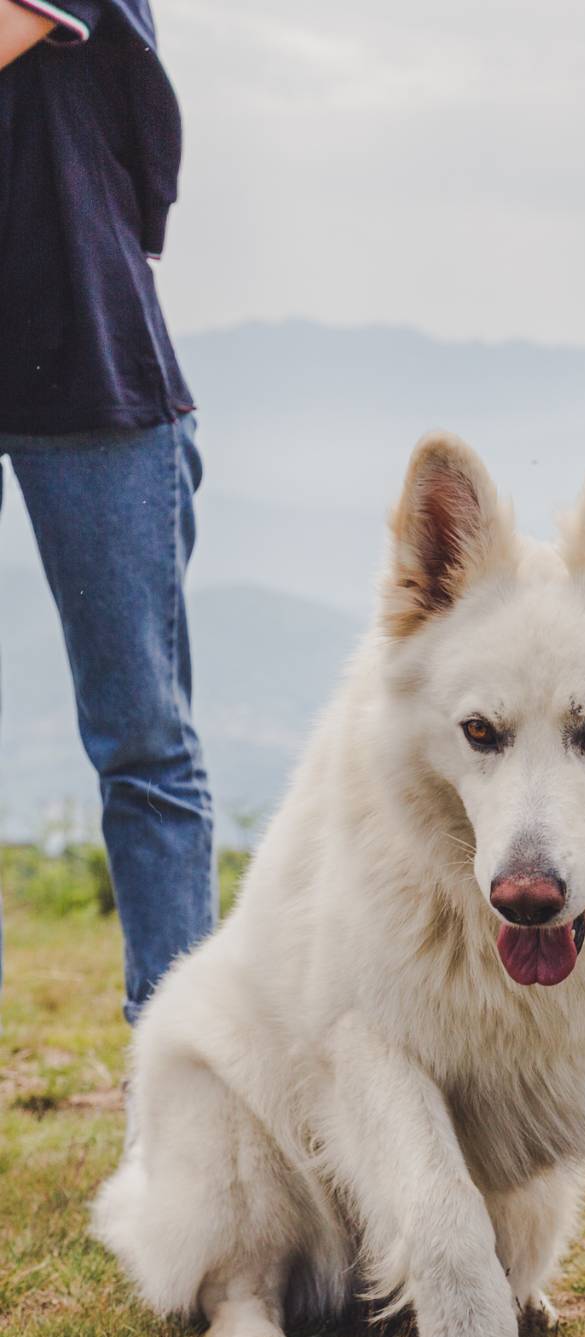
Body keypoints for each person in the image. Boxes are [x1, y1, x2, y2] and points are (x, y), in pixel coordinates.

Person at [0, 0, 214, 1023]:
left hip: (89, 366)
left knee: (144, 744)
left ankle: (190, 1091)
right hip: (85, 367)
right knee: (148, 748)